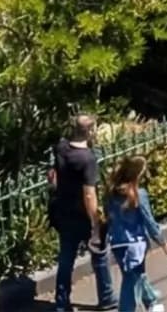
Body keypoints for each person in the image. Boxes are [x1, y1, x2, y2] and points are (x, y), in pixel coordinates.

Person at [51, 115, 113, 310]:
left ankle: (62, 303)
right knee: (99, 254)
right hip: (83, 216)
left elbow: (52, 175)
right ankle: (106, 298)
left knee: (66, 259)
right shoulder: (87, 159)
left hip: (64, 211)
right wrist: (95, 223)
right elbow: (89, 194)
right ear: (91, 131)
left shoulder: (61, 147)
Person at [106, 156, 167, 312]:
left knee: (135, 274)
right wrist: (164, 243)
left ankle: (151, 300)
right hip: (136, 245)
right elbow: (149, 222)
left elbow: (108, 218)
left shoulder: (111, 195)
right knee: (130, 279)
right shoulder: (139, 195)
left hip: (118, 243)